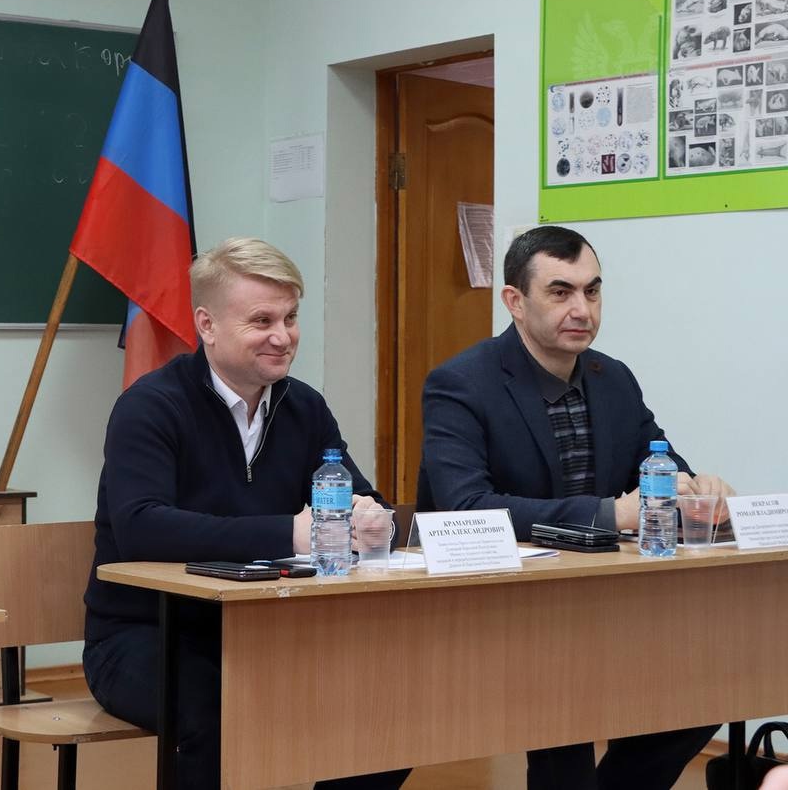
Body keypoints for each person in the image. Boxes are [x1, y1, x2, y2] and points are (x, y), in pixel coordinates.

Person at [82, 237, 408, 790]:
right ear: (207, 325)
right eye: (262, 321)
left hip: (270, 630)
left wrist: (377, 522)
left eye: (291, 318)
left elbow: (360, 497)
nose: (283, 337)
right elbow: (142, 528)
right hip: (148, 635)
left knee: (387, 706)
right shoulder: (150, 406)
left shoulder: (303, 407)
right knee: (212, 707)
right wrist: (291, 533)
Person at [418, 225, 732, 790]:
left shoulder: (613, 378)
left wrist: (698, 492)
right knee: (563, 703)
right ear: (515, 301)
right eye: (560, 292)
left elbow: (660, 466)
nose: (582, 309)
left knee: (708, 682)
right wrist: (611, 514)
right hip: (499, 601)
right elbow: (466, 507)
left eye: (592, 291)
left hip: (600, 594)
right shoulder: (461, 383)